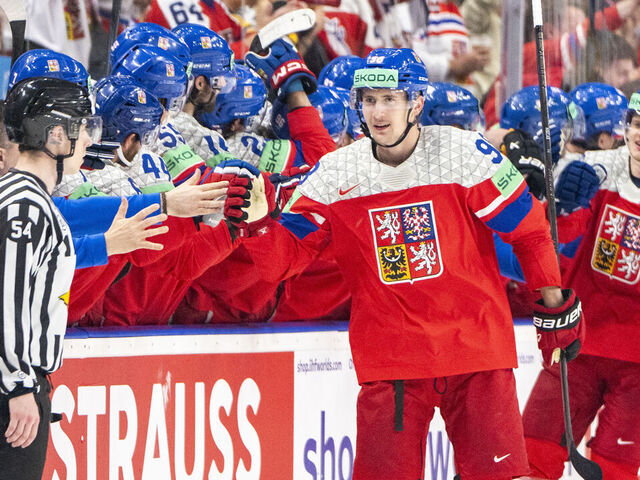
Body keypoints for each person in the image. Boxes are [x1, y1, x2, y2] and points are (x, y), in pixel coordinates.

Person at [242, 47, 584, 479]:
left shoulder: (463, 154)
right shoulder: (333, 174)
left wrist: (552, 298)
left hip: (475, 350)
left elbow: (529, 229)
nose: (378, 111)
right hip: (393, 361)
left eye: (389, 98)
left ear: (416, 102)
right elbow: (282, 263)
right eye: (368, 100)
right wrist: (255, 224)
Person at [0, 76, 164, 479]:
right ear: (55, 134)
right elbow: (10, 295)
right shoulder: (25, 204)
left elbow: (40, 275)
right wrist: (20, 384)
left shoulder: (30, 198)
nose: (88, 140)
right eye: (81, 128)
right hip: (10, 389)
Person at [521, 92, 640, 480]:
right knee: (532, 449)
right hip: (579, 343)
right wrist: (564, 203)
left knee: (614, 470)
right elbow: (557, 236)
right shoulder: (600, 168)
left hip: (637, 360)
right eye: (637, 123)